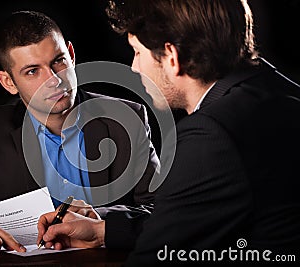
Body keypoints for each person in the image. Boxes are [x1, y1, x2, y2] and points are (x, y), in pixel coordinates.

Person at [37, 0, 300, 265]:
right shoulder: (279, 90)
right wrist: (103, 232)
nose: (134, 68)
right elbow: (195, 215)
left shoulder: (210, 135)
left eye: (137, 52)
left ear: (172, 58)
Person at [0, 10, 160, 255]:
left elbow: (164, 209)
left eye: (58, 61)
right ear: (8, 82)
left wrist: (100, 221)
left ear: (71, 55)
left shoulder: (127, 118)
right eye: (32, 71)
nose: (53, 80)